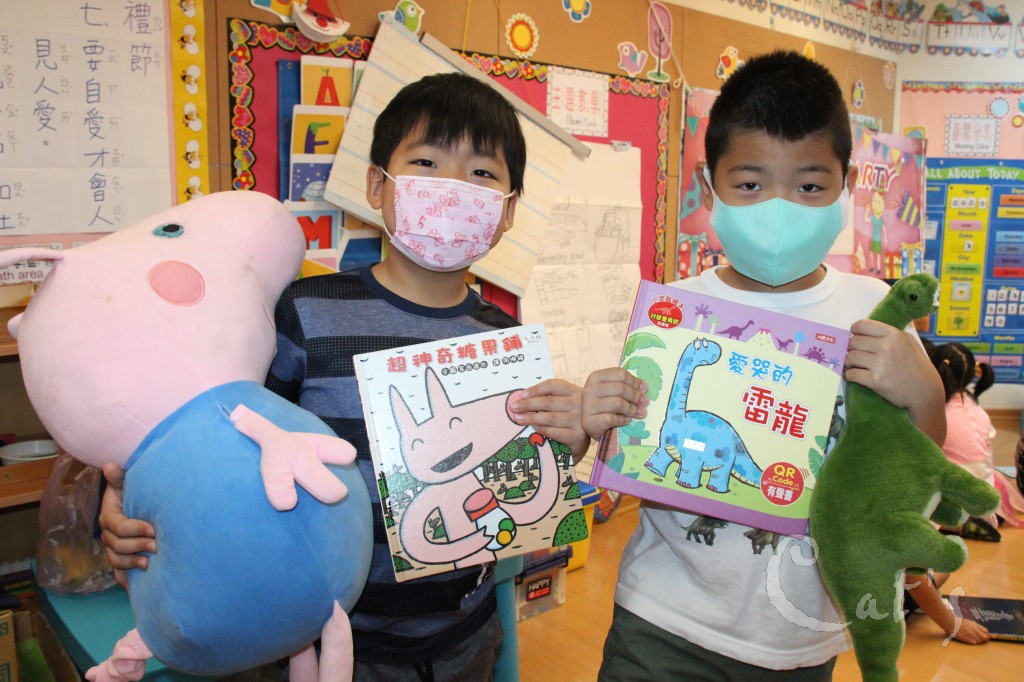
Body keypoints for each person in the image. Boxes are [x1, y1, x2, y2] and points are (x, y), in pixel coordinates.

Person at [98, 72, 592, 681]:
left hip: (463, 637)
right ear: (378, 185)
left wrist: (569, 441)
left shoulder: (503, 341)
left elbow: (518, 474)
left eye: (482, 173)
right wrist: (127, 504)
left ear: (509, 210)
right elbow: (220, 439)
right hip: (316, 645)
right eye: (427, 162)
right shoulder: (306, 313)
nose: (452, 188)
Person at [581, 50, 947, 680]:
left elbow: (915, 468)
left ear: (846, 187)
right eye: (750, 184)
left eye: (809, 186)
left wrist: (926, 393)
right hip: (662, 617)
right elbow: (631, 445)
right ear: (709, 188)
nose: (779, 208)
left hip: (800, 635)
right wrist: (603, 411)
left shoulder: (875, 311)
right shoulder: (674, 313)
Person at [930, 342, 1024, 536]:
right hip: (985, 500)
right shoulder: (976, 409)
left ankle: (955, 521)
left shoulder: (934, 410)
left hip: (952, 496)